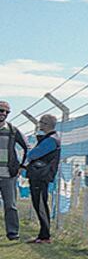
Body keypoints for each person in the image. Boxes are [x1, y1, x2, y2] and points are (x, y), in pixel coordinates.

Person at [24, 114, 61, 244]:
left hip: (41, 176)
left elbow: (33, 154)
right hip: (39, 175)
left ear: (46, 124)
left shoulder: (51, 140)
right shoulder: (48, 139)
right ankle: (42, 234)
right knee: (38, 203)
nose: (39, 124)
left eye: (41, 122)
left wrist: (35, 147)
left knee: (40, 204)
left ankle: (45, 236)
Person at [0, 101, 29, 241]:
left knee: (10, 205)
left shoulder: (12, 130)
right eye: (1, 110)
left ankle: (13, 233)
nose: (3, 114)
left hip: (8, 175)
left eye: (6, 112)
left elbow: (27, 147)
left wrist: (21, 166)